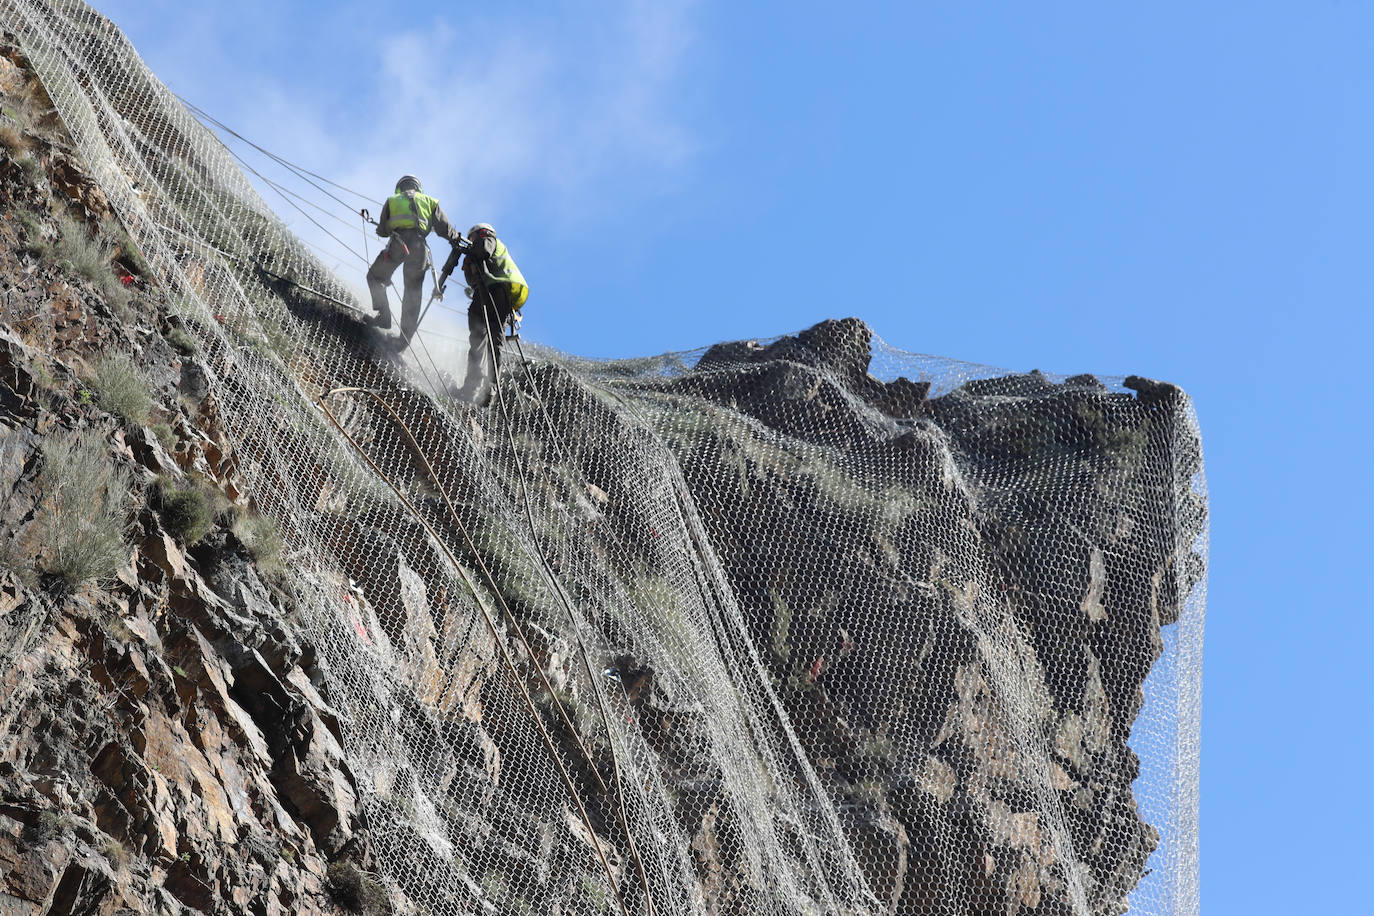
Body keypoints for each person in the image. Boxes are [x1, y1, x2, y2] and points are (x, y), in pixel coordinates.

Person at [365, 175, 464, 345]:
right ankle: (404, 339)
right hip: (419, 249)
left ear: (400, 188)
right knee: (412, 292)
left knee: (374, 276)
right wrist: (456, 239)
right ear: (418, 188)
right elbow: (445, 228)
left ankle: (384, 316)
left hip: (398, 244)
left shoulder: (392, 200)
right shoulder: (430, 201)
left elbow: (382, 230)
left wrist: (389, 228)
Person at [440, 223, 528, 405]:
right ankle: (476, 386)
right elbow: (473, 279)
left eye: (472, 238)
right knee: (481, 341)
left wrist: (469, 251)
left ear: (479, 233)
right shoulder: (478, 251)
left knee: (490, 340)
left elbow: (483, 252)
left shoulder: (488, 240)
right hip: (488, 293)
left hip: (496, 291)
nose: (471, 242)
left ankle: (487, 386)